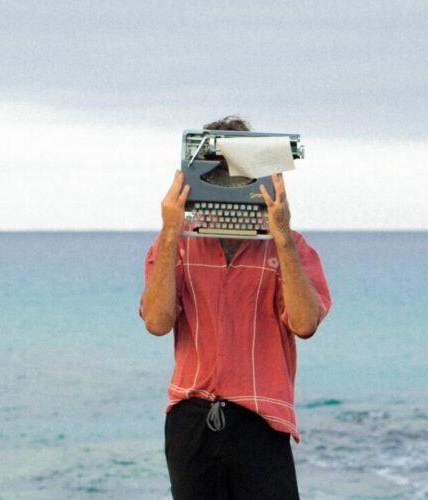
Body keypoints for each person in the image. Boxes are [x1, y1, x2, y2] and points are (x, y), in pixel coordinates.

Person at [139, 116, 332, 499]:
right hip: (191, 417)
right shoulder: (174, 246)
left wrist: (281, 236)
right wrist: (171, 230)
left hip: (262, 419)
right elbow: (158, 322)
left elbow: (305, 323)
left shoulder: (292, 246)